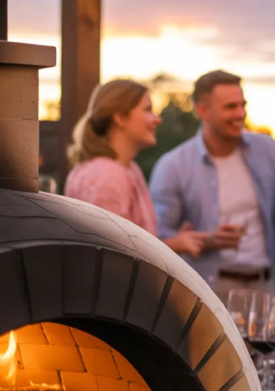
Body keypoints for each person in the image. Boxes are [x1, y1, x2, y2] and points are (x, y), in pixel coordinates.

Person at [149, 70, 275, 296]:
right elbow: (159, 239)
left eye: (242, 105)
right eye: (230, 107)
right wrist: (208, 241)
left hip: (264, 287)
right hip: (207, 291)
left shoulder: (269, 151)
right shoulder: (173, 165)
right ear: (203, 110)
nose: (240, 114)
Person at [64, 80, 205, 258]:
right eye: (147, 110)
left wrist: (174, 241)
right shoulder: (107, 175)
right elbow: (111, 254)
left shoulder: (127, 168)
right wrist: (172, 245)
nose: (157, 119)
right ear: (120, 118)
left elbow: (131, 243)